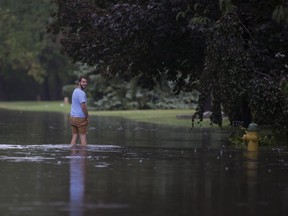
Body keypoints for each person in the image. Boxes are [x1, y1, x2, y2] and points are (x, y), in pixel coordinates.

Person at [69, 75, 89, 147]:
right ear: (79, 82)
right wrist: (87, 117)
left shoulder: (75, 91)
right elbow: (83, 107)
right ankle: (84, 156)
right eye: (83, 82)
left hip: (72, 117)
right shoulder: (81, 93)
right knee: (83, 136)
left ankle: (72, 156)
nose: (85, 83)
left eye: (86, 82)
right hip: (80, 118)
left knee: (75, 135)